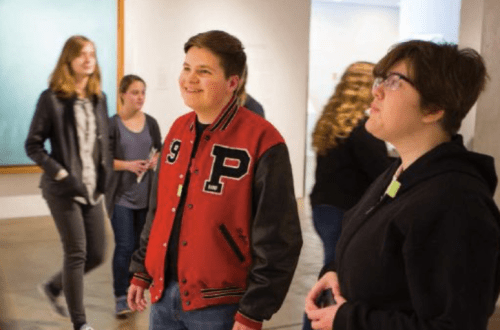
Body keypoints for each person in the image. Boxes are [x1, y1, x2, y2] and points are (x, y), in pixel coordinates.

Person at [304, 40, 500, 330]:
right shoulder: (400, 173)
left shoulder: (456, 203)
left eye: (395, 82)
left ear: (433, 109)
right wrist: (335, 271)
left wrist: (348, 319)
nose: (377, 90)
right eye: (381, 79)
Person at [127, 30, 302, 330]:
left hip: (222, 306)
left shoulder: (264, 141)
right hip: (162, 297)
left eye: (203, 71)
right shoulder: (177, 131)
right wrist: (143, 269)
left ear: (233, 82)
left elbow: (279, 240)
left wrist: (253, 312)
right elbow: (158, 211)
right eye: (186, 68)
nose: (189, 79)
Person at [25, 35, 111, 330]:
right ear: (68, 60)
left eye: (92, 54)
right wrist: (60, 173)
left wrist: (105, 178)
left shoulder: (99, 98)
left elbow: (103, 144)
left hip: (92, 189)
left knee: (98, 253)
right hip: (62, 189)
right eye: (82, 54)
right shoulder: (51, 99)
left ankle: (52, 287)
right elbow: (33, 145)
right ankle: (81, 323)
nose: (88, 59)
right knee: (76, 252)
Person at [302, 62, 393, 330]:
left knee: (330, 270)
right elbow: (381, 172)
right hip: (345, 211)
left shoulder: (331, 119)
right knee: (336, 277)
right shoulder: (364, 128)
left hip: (322, 208)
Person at [106, 75, 162, 317]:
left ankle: (133, 290)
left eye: (142, 92)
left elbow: (159, 150)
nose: (140, 97)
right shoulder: (111, 124)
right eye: (135, 92)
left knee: (141, 247)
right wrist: (128, 165)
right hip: (121, 197)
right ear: (122, 95)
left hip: (145, 196)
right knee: (125, 245)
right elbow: (103, 160)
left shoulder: (151, 122)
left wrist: (153, 162)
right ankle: (120, 294)